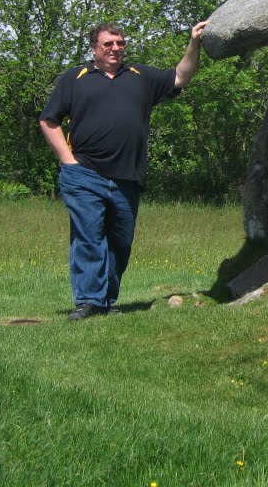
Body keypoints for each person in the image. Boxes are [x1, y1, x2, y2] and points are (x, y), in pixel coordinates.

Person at [39, 20, 208, 320]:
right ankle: (88, 301)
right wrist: (67, 160)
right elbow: (48, 120)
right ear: (94, 48)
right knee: (89, 235)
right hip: (84, 174)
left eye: (120, 43)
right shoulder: (75, 78)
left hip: (128, 176)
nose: (116, 48)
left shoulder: (140, 76)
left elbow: (181, 76)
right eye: (108, 44)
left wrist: (194, 43)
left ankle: (104, 300)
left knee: (120, 242)